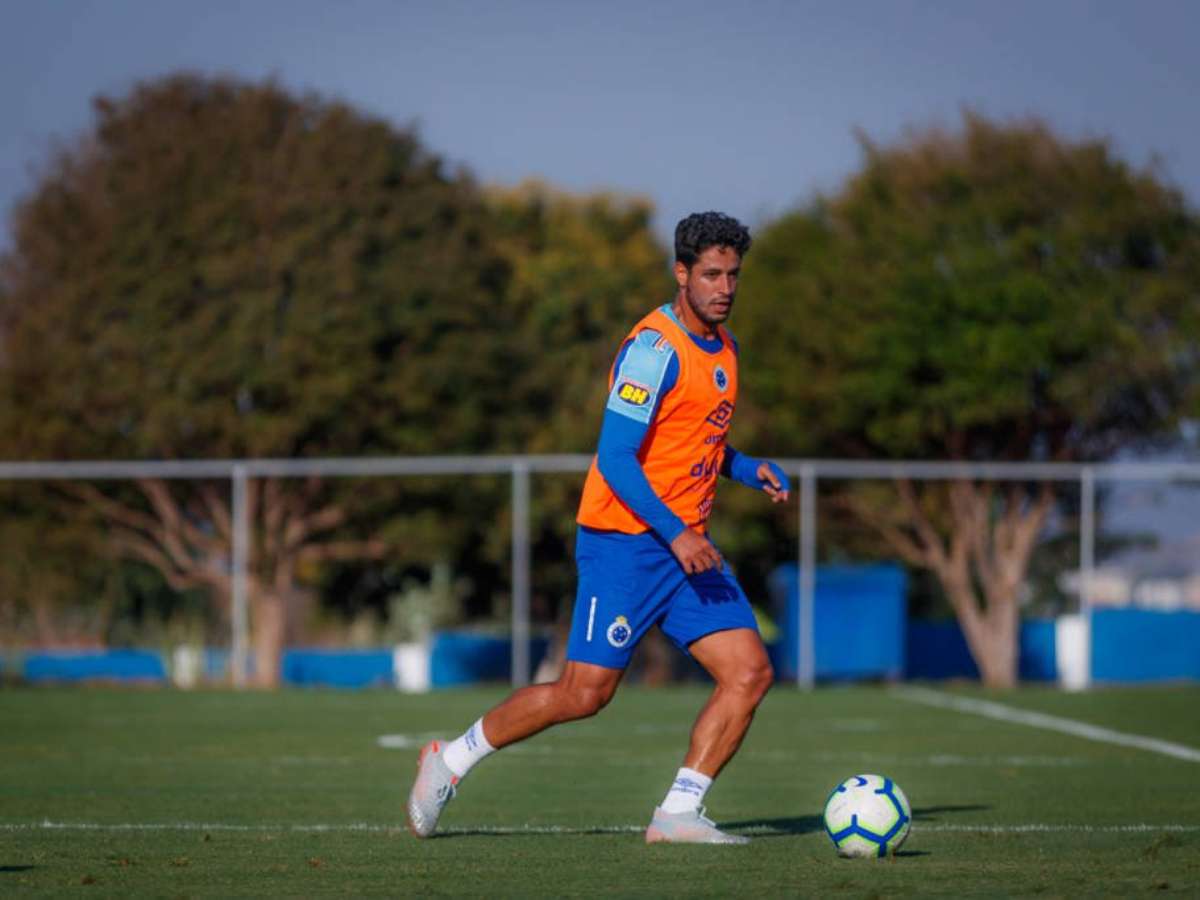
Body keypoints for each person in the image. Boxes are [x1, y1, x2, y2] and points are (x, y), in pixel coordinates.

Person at [407, 211, 790, 844]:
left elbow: (694, 438)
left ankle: (677, 813)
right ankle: (448, 761)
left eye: (733, 275)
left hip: (685, 550)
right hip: (626, 546)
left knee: (749, 673)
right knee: (584, 694)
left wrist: (746, 468)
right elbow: (616, 457)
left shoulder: (726, 348)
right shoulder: (652, 352)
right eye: (711, 275)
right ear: (681, 273)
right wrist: (677, 533)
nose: (724, 288)